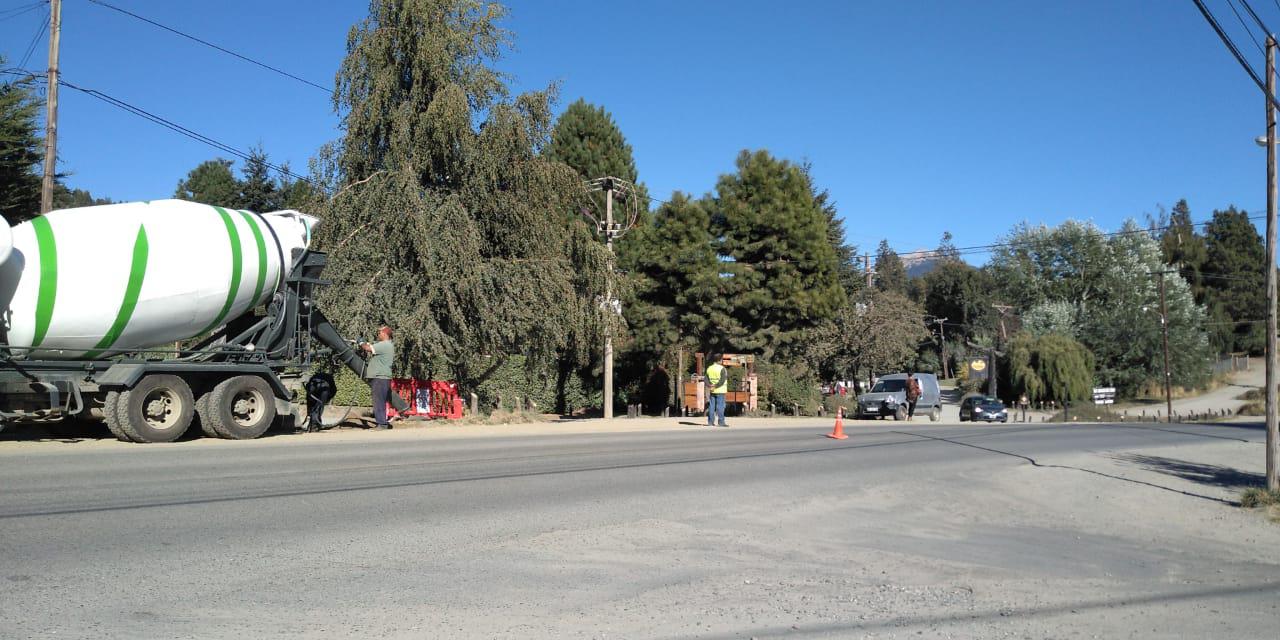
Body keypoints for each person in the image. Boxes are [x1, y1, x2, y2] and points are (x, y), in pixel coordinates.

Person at [360, 325, 395, 430]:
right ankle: (382, 423)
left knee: (378, 401)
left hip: (380, 378)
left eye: (379, 333)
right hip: (382, 377)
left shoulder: (384, 345)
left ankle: (382, 424)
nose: (378, 335)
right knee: (380, 400)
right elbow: (372, 346)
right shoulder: (386, 345)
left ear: (384, 334)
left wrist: (361, 342)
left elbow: (367, 348)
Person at [706, 353, 728, 427]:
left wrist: (710, 386)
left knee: (711, 406)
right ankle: (721, 422)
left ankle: (710, 422)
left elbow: (705, 379)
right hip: (720, 390)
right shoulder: (722, 369)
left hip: (712, 390)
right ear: (720, 360)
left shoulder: (709, 368)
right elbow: (722, 381)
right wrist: (715, 386)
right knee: (720, 406)